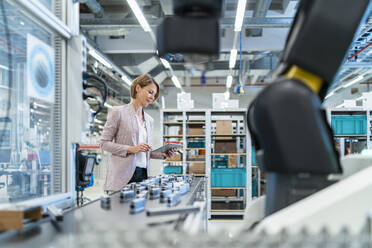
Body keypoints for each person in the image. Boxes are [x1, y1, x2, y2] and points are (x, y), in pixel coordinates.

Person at [100, 74, 177, 192]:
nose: (152, 97)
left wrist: (163, 155)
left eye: (154, 95)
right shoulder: (118, 112)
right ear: (138, 88)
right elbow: (104, 144)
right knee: (119, 209)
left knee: (140, 209)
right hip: (122, 175)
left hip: (142, 174)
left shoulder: (149, 120)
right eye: (150, 92)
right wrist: (131, 148)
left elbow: (144, 151)